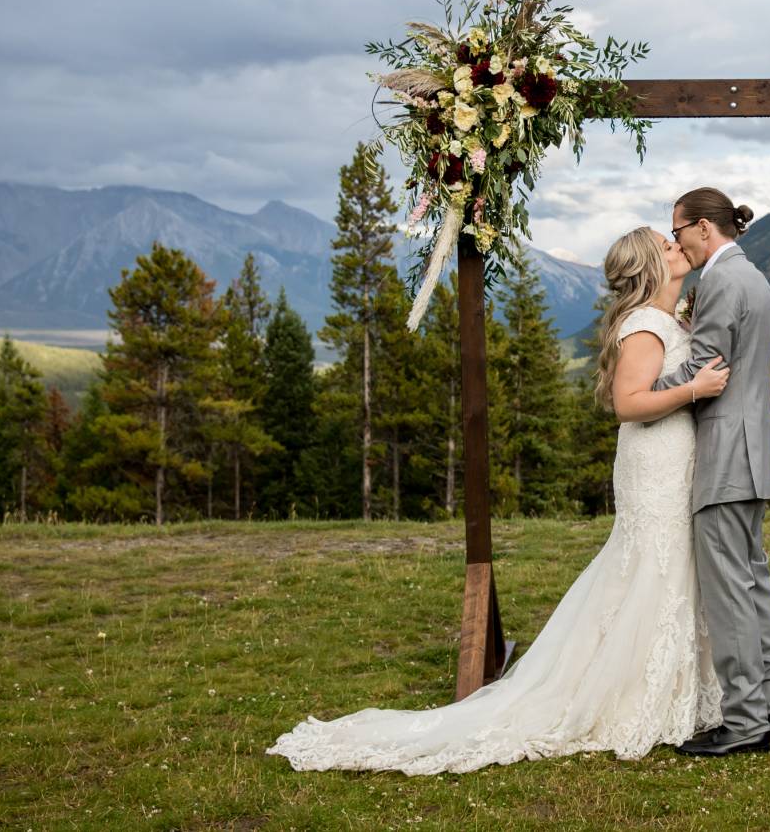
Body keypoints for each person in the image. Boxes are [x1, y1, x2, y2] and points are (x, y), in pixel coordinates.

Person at [266, 226, 729, 774]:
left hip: (671, 457)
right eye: (666, 245)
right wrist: (695, 390)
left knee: (666, 568)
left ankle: (671, 685)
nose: (678, 247)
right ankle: (636, 694)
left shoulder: (665, 320)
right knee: (654, 565)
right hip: (654, 463)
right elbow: (629, 403)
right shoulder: (647, 326)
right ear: (652, 267)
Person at [657, 186, 770, 757]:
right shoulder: (753, 277)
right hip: (754, 448)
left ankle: (743, 723)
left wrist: (640, 392)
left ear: (704, 229)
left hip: (725, 454)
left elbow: (701, 367)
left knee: (729, 592)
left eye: (679, 230)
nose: (676, 241)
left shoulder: (718, 281)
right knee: (753, 580)